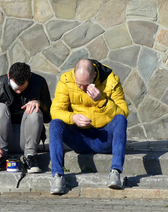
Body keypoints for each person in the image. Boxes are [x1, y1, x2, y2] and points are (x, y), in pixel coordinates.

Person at [49, 59, 129, 194]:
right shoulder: (66, 80)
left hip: (103, 138)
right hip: (79, 138)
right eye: (79, 84)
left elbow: (124, 112)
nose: (82, 88)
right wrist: (72, 117)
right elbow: (55, 111)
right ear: (74, 74)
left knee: (120, 120)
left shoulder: (111, 81)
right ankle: (58, 176)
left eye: (85, 85)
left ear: (94, 75)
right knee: (55, 124)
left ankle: (115, 172)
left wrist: (102, 101)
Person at [0, 62, 51, 173]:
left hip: (28, 140)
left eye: (22, 88)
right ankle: (0, 157)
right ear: (9, 76)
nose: (19, 91)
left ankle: (30, 157)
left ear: (29, 77)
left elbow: (48, 117)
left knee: (33, 109)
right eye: (15, 87)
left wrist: (39, 103)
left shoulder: (40, 82)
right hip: (1, 141)